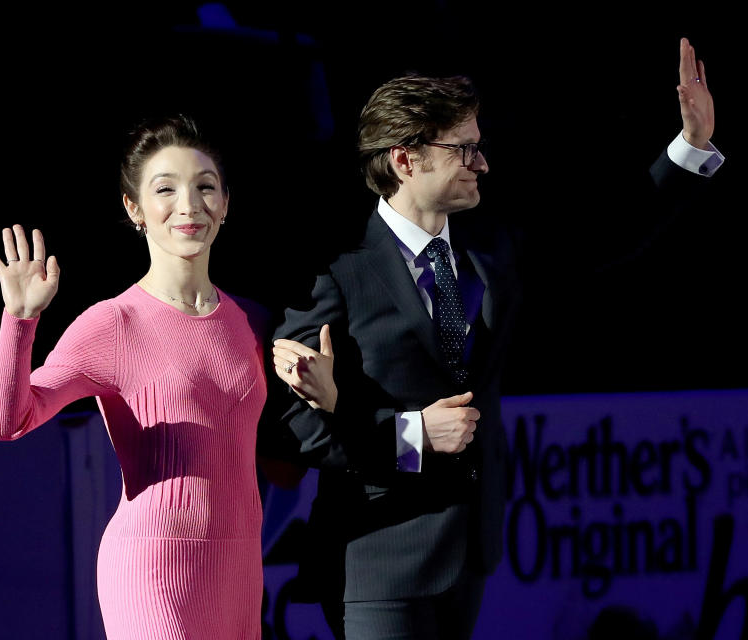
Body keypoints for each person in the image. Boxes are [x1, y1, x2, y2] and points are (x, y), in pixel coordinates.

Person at [267, 38, 721, 639]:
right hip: (377, 558)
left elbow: (605, 238)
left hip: (470, 554)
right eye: (465, 150)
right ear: (406, 160)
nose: (482, 164)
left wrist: (688, 148)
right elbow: (294, 426)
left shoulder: (490, 249)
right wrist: (413, 436)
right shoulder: (335, 267)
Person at [0, 116, 294, 639]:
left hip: (240, 570)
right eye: (165, 189)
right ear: (135, 210)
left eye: (205, 187)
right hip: (154, 566)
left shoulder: (252, 320)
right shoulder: (114, 324)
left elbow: (283, 455)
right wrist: (20, 320)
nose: (189, 205)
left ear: (225, 204)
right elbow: (6, 422)